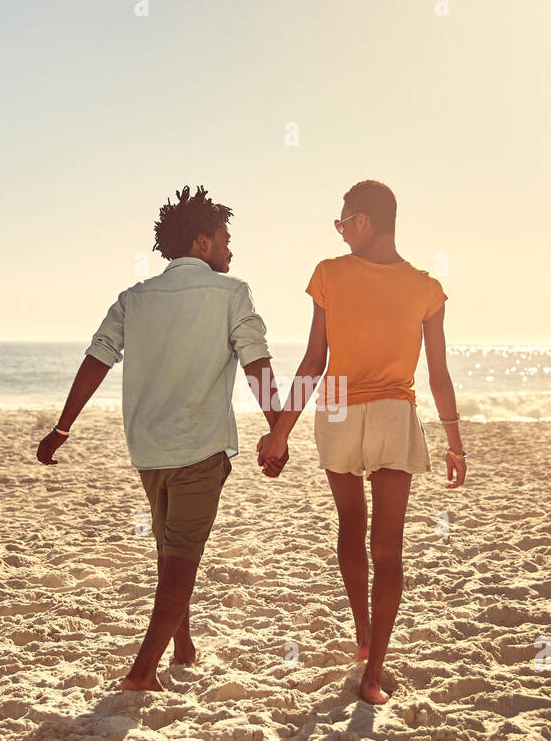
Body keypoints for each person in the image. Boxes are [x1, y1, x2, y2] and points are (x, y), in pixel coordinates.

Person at [36, 185, 286, 691]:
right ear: (201, 243)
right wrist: (277, 429)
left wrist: (63, 428)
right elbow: (257, 362)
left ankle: (183, 644)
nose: (231, 250)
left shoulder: (135, 298)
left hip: (148, 450)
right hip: (200, 446)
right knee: (182, 558)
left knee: (171, 550)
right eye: (224, 239)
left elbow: (97, 358)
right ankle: (142, 670)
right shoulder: (232, 292)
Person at [257, 180, 466, 704]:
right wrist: (455, 443)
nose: (341, 230)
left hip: (339, 408)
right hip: (396, 413)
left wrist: (280, 432)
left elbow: (313, 362)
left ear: (365, 221)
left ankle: (363, 635)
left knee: (351, 526)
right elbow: (439, 375)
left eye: (344, 221)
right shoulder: (426, 287)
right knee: (388, 547)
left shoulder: (329, 274)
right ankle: (373, 673)